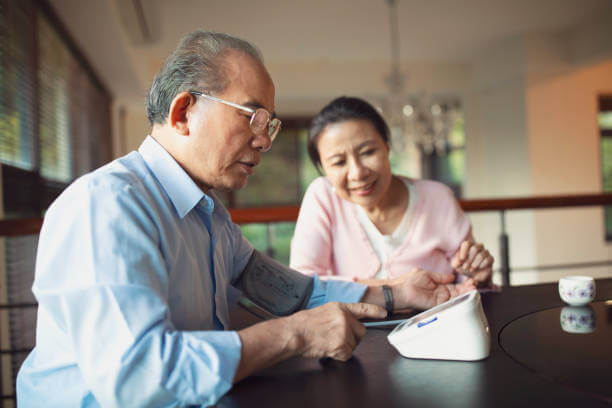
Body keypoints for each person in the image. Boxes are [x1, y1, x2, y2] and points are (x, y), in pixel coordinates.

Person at [16, 32, 474, 407]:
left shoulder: (211, 219)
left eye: (270, 124)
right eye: (254, 117)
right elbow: (140, 379)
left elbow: (292, 293)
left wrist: (397, 292)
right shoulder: (107, 205)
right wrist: (294, 335)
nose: (264, 141)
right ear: (183, 112)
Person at [291, 96, 494, 287]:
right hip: (357, 325)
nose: (357, 173)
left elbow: (467, 283)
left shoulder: (437, 197)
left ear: (387, 147)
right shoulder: (323, 197)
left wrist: (478, 278)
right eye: (338, 162)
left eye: (368, 152)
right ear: (324, 169)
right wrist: (396, 289)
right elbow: (304, 285)